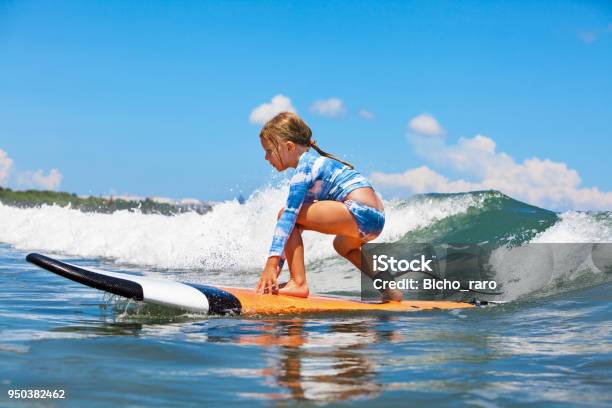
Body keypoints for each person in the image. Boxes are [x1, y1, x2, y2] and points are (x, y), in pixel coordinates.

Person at [255, 112, 402, 301]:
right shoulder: (316, 165)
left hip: (358, 211)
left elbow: (289, 219)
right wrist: (274, 272)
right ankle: (390, 289)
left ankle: (298, 284)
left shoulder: (305, 168)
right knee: (342, 246)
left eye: (268, 150)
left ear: (289, 147)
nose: (266, 158)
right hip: (376, 219)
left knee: (285, 214)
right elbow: (290, 233)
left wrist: (271, 264)